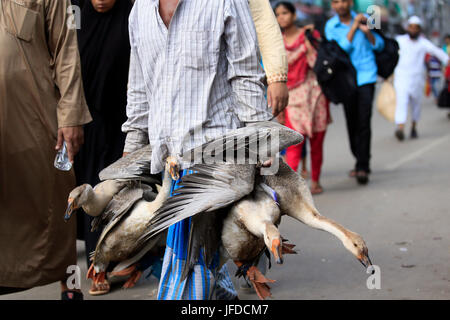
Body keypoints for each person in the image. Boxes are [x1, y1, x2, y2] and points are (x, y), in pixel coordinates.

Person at [122, 0, 278, 300]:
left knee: (188, 269)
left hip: (216, 158)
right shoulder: (140, 9)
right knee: (204, 267)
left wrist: (262, 142)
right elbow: (139, 85)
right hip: (171, 163)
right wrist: (132, 148)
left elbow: (245, 75)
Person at [0, 0, 91, 300]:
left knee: (57, 204)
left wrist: (71, 115)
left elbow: (66, 51)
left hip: (35, 122)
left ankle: (71, 289)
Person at [71, 0, 134, 295]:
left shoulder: (133, 13)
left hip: (121, 122)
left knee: (109, 191)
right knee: (78, 189)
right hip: (77, 119)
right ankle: (89, 260)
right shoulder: (74, 11)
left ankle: (103, 263)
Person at [325, 0, 385, 185]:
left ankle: (362, 166)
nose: (340, 5)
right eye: (336, 2)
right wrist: (353, 27)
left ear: (350, 3)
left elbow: (380, 46)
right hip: (345, 81)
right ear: (332, 5)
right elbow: (339, 50)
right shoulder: (330, 26)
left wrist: (368, 33)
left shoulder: (368, 19)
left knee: (364, 121)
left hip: (367, 76)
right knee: (352, 122)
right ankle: (359, 158)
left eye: (344, 1)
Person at [275, 2, 330, 195]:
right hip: (291, 97)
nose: (282, 17)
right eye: (278, 14)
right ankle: (293, 186)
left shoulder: (308, 36)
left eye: (285, 13)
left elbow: (318, 63)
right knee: (293, 144)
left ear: (294, 15)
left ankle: (315, 181)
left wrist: (309, 45)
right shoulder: (275, 42)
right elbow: (272, 73)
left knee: (317, 142)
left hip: (315, 95)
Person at [393, 16, 449, 141]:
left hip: (417, 79)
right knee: (401, 102)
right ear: (407, 28)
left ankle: (413, 126)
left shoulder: (423, 43)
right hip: (401, 77)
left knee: (416, 105)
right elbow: (387, 48)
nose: (413, 30)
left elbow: (437, 52)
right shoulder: (400, 40)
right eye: (411, 27)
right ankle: (400, 127)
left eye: (416, 28)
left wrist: (447, 60)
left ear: (419, 29)